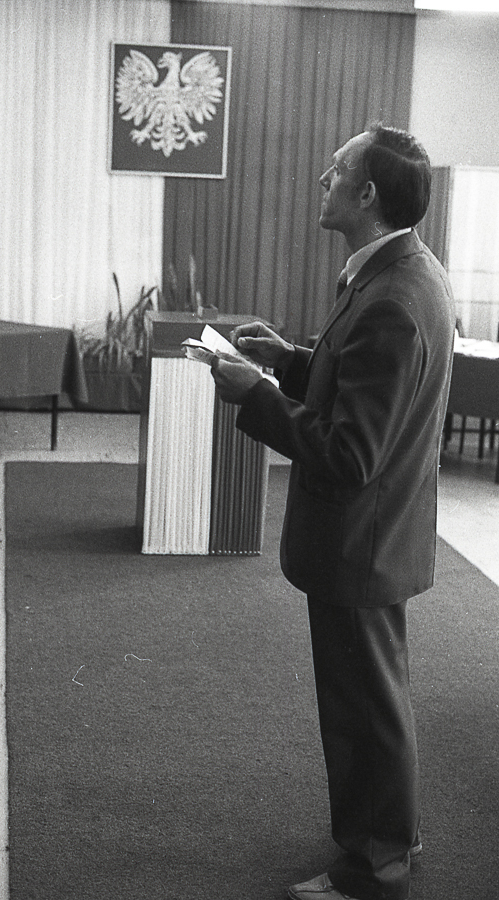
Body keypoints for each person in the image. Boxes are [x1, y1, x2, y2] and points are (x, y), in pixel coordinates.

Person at [211, 124, 455, 900]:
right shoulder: (403, 272)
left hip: (361, 542)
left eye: (337, 169)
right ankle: (392, 831)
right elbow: (362, 388)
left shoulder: (392, 298)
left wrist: (256, 396)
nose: (324, 178)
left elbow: (352, 453)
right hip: (379, 535)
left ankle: (373, 868)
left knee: (362, 709)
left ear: (368, 193)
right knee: (375, 698)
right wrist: (289, 362)